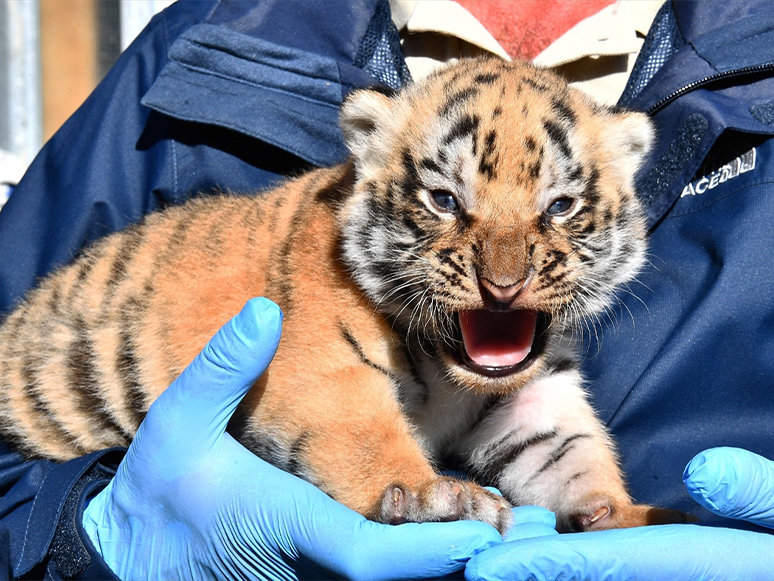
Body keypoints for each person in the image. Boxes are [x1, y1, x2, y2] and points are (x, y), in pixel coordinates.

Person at [1, 0, 773, 578]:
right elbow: (320, 393)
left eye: (560, 208)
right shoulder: (213, 33)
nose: (503, 273)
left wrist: (603, 515)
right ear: (370, 160)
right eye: (446, 201)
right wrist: (80, 535)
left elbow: (541, 419)